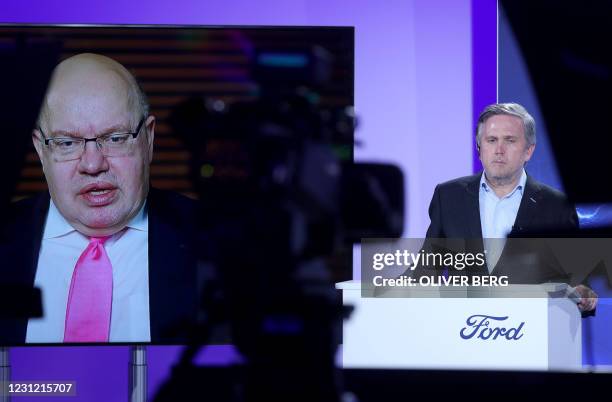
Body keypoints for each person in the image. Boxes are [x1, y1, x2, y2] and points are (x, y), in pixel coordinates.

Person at [0, 53, 199, 344]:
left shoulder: (213, 240)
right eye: (67, 143)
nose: (93, 165)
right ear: (41, 150)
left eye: (115, 138)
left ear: (149, 138)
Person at [425, 102, 597, 313]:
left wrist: (584, 294)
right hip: (463, 330)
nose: (499, 150)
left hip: (530, 333)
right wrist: (384, 294)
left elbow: (580, 280)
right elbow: (426, 269)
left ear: (528, 151)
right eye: (491, 140)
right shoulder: (449, 197)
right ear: (479, 149)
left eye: (509, 140)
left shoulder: (557, 206)